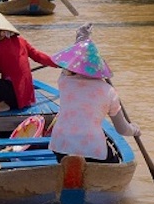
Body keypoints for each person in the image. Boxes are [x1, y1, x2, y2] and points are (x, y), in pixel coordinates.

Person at [43, 23, 141, 162]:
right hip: (92, 148)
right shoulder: (109, 92)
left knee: (66, 155)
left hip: (60, 144)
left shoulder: (64, 81)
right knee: (114, 162)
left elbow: (73, 60)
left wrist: (82, 37)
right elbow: (122, 129)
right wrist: (135, 130)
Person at [0, 11, 56, 113]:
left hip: (14, 98)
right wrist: (57, 63)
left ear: (2, 32)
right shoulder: (21, 41)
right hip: (26, 98)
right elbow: (38, 56)